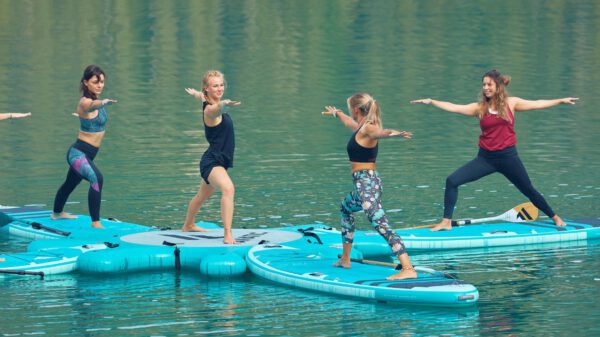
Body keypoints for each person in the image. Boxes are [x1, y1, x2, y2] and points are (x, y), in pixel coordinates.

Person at [411, 69, 578, 231]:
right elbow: (454, 107)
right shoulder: (479, 108)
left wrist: (560, 100)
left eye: (489, 84)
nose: (485, 88)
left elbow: (538, 103)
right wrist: (432, 101)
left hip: (509, 159)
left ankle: (555, 217)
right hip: (485, 160)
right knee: (452, 181)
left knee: (529, 190)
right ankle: (446, 222)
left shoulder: (511, 103)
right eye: (483, 85)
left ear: (498, 86)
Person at [322, 92, 417, 280]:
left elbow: (379, 133)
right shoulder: (360, 127)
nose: (350, 112)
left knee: (381, 225)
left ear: (356, 109)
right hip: (362, 185)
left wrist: (393, 133)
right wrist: (337, 113)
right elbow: (349, 122)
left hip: (368, 184)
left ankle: (408, 268)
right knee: (345, 209)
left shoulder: (369, 127)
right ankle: (346, 259)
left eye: (350, 109)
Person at [51, 65, 117, 229]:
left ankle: (57, 213)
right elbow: (90, 107)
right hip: (78, 154)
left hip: (88, 154)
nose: (100, 85)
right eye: (95, 82)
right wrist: (103, 102)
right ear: (86, 82)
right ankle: (95, 223)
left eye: (102, 81)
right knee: (97, 178)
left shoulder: (94, 101)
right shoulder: (86, 102)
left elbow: (88, 116)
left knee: (70, 183)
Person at [181, 70, 240, 244]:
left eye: (221, 85)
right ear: (207, 88)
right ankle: (227, 234)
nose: (220, 88)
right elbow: (216, 109)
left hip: (218, 161)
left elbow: (203, 98)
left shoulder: (206, 100)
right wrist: (224, 104)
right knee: (228, 189)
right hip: (212, 162)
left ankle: (188, 225)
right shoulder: (210, 110)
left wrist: (196, 94)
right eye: (215, 86)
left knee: (201, 196)